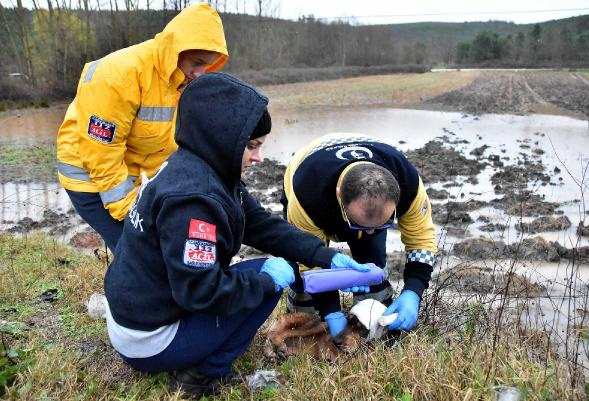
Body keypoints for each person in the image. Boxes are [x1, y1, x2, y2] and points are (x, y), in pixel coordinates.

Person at [103, 73, 372, 398]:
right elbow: (200, 292)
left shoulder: (202, 168)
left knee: (263, 273)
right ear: (221, 139)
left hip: (140, 314)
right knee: (266, 281)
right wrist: (263, 284)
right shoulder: (193, 202)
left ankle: (198, 349)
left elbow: (260, 224)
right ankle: (200, 376)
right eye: (251, 146)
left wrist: (326, 256)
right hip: (148, 340)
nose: (258, 157)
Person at [56, 3, 228, 252]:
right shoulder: (120, 74)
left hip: (137, 176)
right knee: (135, 251)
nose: (200, 74)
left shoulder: (182, 81)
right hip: (92, 179)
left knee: (159, 248)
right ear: (176, 48)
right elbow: (102, 152)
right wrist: (130, 212)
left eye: (207, 66)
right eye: (197, 62)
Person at [282, 133, 437, 336]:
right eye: (360, 224)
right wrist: (330, 311)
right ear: (340, 195)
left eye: (383, 223)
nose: (371, 232)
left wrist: (413, 291)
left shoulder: (409, 184)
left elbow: (422, 239)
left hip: (370, 177)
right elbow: (308, 259)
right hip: (312, 176)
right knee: (305, 294)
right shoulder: (307, 193)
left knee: (372, 266)